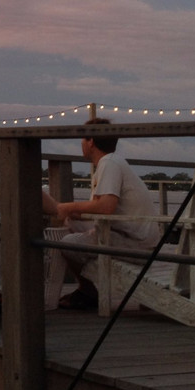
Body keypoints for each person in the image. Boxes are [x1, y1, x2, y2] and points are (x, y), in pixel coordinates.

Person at [43, 117, 159, 311]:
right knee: (72, 222)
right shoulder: (113, 162)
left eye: (83, 139)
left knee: (66, 242)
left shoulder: (109, 163)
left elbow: (106, 207)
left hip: (135, 243)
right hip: (135, 236)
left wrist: (67, 207)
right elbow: (102, 207)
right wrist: (71, 212)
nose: (81, 143)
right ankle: (86, 290)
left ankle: (88, 291)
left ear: (91, 141)